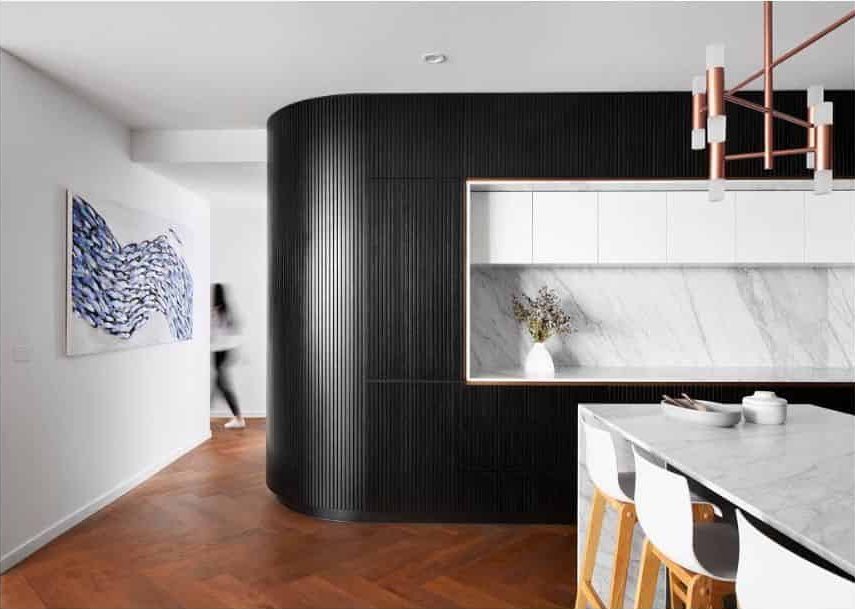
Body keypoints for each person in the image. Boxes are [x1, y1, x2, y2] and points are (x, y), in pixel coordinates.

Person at [211, 283, 244, 429]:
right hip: (225, 351)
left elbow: (214, 333)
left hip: (219, 351)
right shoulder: (226, 310)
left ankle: (238, 417)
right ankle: (207, 413)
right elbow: (235, 328)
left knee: (220, 383)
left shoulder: (216, 311)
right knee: (218, 382)